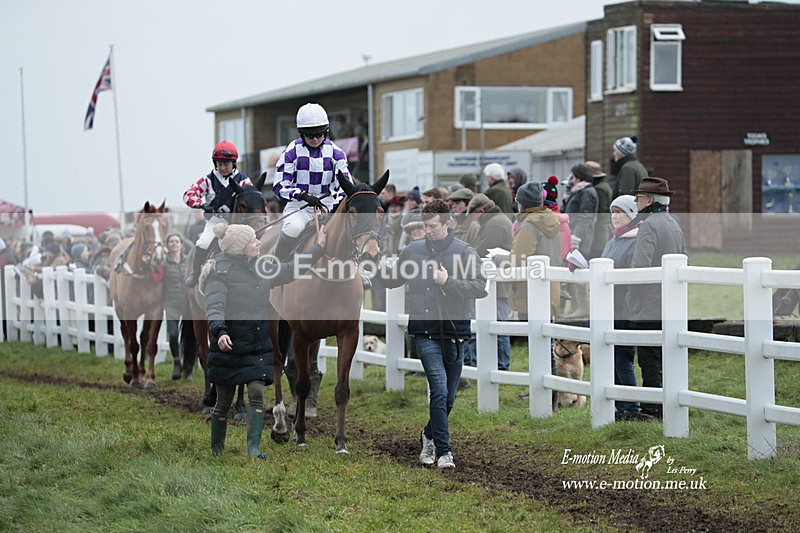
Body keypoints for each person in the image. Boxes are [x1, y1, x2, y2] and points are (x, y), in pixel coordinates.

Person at [378, 200, 487, 469]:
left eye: (433, 226)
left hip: (455, 331)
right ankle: (444, 451)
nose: (427, 230)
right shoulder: (413, 250)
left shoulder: (465, 251)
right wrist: (375, 267)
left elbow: (480, 286)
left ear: (447, 224)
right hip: (424, 330)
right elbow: (394, 279)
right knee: (437, 390)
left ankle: (428, 434)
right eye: (425, 225)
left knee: (448, 397)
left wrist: (447, 283)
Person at [202, 222, 327, 458]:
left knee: (257, 394)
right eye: (253, 240)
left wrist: (318, 248)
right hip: (228, 346)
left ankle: (254, 448)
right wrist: (220, 332)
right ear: (240, 248)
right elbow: (215, 307)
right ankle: (217, 450)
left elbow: (291, 270)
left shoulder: (263, 268)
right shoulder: (218, 271)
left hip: (257, 345)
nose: (259, 243)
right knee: (224, 402)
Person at [627, 178, 687, 420]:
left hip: (649, 302)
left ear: (650, 200)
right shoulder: (674, 223)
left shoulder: (648, 225)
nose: (635, 201)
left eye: (639, 197)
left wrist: (632, 295)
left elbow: (640, 266)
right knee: (666, 355)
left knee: (649, 357)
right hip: (670, 301)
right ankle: (668, 404)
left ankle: (653, 408)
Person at [272, 102, 352, 261]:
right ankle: (277, 266)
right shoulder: (291, 151)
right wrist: (302, 195)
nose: (315, 139)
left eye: (319, 134)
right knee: (293, 228)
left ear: (326, 131)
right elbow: (279, 186)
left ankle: (362, 270)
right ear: (301, 134)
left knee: (348, 230)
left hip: (328, 206)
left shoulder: (337, 153)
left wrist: (336, 203)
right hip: (300, 206)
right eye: (310, 135)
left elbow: (345, 185)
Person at [182, 140, 252, 287]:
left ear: (234, 164)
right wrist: (202, 204)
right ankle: (195, 274)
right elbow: (188, 194)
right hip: (215, 222)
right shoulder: (208, 180)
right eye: (219, 164)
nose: (222, 167)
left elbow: (251, 196)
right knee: (203, 242)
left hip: (237, 223)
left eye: (226, 164)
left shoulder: (243, 180)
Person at [599, 195, 643, 421]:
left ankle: (631, 407)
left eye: (620, 212)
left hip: (623, 308)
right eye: (612, 211)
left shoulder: (636, 241)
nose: (615, 216)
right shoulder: (613, 240)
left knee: (623, 357)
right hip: (607, 306)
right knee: (611, 357)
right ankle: (619, 405)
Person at [467, 193, 513, 371]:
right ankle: (498, 365)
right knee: (496, 325)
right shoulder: (496, 221)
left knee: (499, 325)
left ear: (480, 211)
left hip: (497, 284)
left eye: (473, 214)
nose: (472, 219)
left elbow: (482, 251)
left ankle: (501, 367)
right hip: (495, 282)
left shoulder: (494, 224)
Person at [508, 183, 562, 319]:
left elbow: (516, 261)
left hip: (530, 293)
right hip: (551, 289)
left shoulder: (529, 226)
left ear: (522, 204)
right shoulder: (552, 222)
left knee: (532, 337)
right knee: (547, 336)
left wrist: (496, 258)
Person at [562, 164, 598, 319]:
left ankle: (582, 306)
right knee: (573, 270)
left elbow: (586, 217)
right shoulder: (581, 192)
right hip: (574, 237)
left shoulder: (587, 193)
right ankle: (576, 306)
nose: (572, 180)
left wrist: (576, 236)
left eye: (574, 177)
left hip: (580, 240)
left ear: (579, 178)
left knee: (579, 271)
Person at [163, 233, 191, 380]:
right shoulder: (163, 263)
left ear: (181, 244)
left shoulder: (188, 261)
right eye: (171, 241)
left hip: (187, 305)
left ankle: (189, 368)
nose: (174, 244)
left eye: (177, 241)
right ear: (167, 245)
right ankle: (176, 363)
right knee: (173, 335)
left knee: (190, 337)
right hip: (171, 303)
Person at [587, 161, 613, 259]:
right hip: (604, 228)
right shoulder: (604, 186)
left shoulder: (599, 189)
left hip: (599, 230)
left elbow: (601, 211)